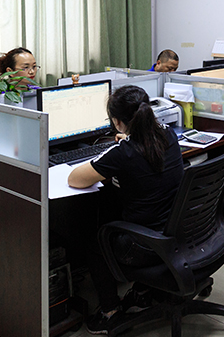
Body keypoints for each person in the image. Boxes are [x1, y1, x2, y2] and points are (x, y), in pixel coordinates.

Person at [68, 85, 184, 335]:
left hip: (145, 245)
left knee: (96, 241)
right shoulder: (169, 134)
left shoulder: (123, 153)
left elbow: (75, 179)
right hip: (178, 231)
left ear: (117, 122)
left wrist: (122, 145)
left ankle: (110, 311)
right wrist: (128, 139)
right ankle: (142, 292)